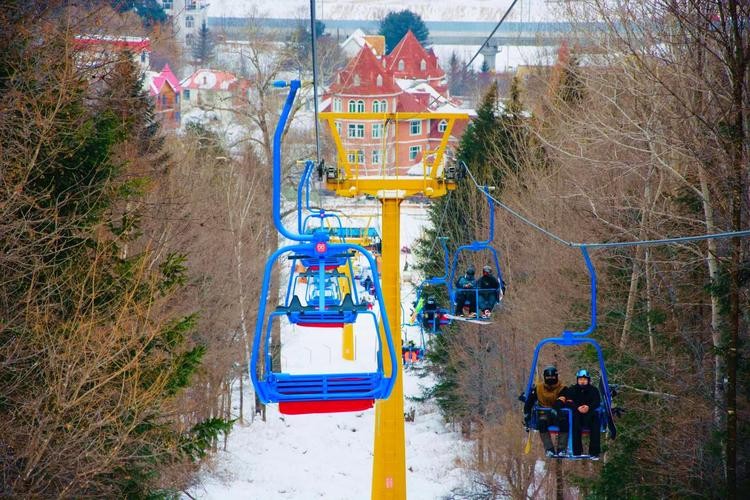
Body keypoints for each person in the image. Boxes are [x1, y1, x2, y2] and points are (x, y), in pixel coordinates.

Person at [523, 366, 569, 457]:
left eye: (552, 377)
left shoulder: (562, 388)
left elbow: (563, 398)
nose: (550, 379)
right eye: (548, 377)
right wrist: (527, 413)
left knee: (564, 422)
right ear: (544, 377)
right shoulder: (538, 388)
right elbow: (530, 402)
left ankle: (561, 449)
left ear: (556, 377)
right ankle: (549, 449)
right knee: (542, 423)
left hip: (557, 414)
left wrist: (557, 407)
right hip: (544, 414)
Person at [562, 369, 601, 459]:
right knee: (574, 423)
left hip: (589, 415)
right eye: (580, 379)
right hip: (576, 414)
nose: (582, 381)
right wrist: (577, 408)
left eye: (584, 379)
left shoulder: (593, 390)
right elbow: (568, 402)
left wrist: (588, 407)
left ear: (588, 380)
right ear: (577, 380)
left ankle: (594, 452)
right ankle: (576, 451)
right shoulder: (572, 389)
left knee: (596, 423)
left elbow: (597, 402)